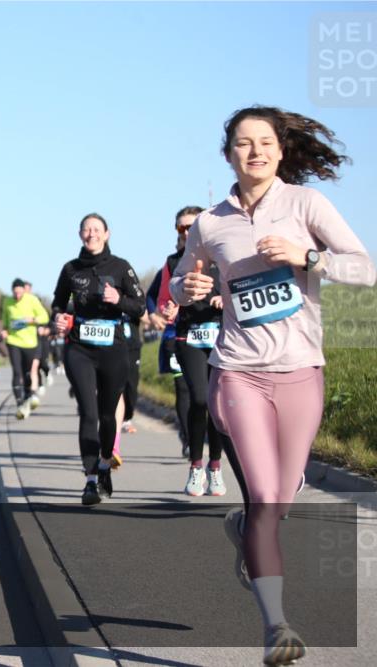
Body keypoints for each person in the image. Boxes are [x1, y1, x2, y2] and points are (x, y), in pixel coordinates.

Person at [170, 105, 374, 665]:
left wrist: (308, 256)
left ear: (280, 151)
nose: (254, 151)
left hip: (302, 370)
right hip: (237, 370)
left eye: (264, 142)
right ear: (228, 153)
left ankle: (243, 528)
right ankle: (276, 626)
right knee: (265, 495)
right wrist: (190, 288)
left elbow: (365, 266)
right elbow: (184, 287)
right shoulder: (211, 223)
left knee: (277, 501)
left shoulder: (306, 204)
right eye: (243, 143)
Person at [52, 213, 145, 505]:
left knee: (107, 415)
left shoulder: (121, 267)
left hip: (113, 350)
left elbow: (140, 307)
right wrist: (57, 317)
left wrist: (119, 300)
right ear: (80, 234)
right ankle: (90, 480)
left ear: (106, 234)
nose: (91, 234)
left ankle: (105, 463)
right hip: (79, 349)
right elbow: (57, 302)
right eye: (86, 229)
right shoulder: (71, 269)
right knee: (88, 413)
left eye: (96, 229)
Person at [168, 207, 232, 497]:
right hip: (189, 337)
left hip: (222, 336)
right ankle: (195, 466)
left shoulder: (223, 257)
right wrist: (167, 306)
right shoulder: (173, 262)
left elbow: (243, 289)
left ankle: (215, 468)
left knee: (217, 406)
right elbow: (159, 299)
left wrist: (225, 298)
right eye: (181, 228)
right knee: (199, 398)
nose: (185, 232)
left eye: (190, 227)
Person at [147, 227, 192, 455]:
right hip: (174, 335)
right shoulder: (170, 265)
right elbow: (150, 296)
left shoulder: (214, 258)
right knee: (182, 388)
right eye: (181, 240)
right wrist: (154, 315)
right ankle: (187, 437)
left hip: (205, 333)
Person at [2, 278, 49, 419]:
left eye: (19, 293)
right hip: (13, 341)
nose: (17, 296)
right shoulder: (7, 302)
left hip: (30, 343)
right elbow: (5, 319)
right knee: (17, 372)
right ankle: (19, 403)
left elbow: (44, 317)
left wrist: (32, 320)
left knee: (28, 373)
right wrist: (4, 330)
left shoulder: (32, 300)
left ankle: (29, 395)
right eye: (15, 293)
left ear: (24, 291)